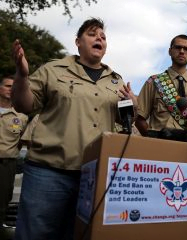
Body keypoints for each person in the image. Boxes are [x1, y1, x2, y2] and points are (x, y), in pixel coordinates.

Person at [11, 18, 137, 240]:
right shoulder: (53, 69)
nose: (99, 38)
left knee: (79, 234)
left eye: (103, 36)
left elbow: (124, 122)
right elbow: (24, 104)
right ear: (78, 42)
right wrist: (21, 76)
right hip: (48, 171)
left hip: (93, 176)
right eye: (92, 34)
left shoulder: (116, 81)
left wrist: (132, 106)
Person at [135, 34, 187, 136]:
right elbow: (139, 119)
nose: (182, 51)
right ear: (170, 51)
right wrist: (152, 139)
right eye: (178, 47)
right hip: (161, 145)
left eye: (186, 49)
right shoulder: (154, 82)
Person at [0, 75, 28, 234]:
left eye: (14, 87)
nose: (11, 89)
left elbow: (21, 141)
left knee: (2, 202)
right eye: (7, 86)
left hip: (6, 164)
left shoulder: (21, 117)